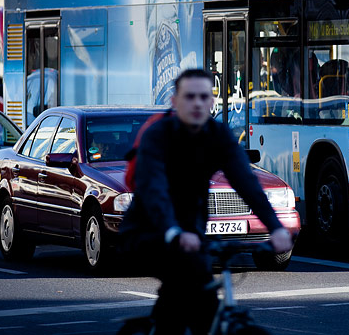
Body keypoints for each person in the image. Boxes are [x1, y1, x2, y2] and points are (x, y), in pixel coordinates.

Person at [118, 68, 293, 335]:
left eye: (204, 96)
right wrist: (173, 232)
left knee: (204, 308)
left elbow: (246, 182)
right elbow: (154, 191)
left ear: (212, 102)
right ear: (175, 101)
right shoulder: (159, 135)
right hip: (147, 232)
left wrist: (275, 227)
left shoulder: (217, 135)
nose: (197, 103)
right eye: (190, 97)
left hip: (192, 234)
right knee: (187, 289)